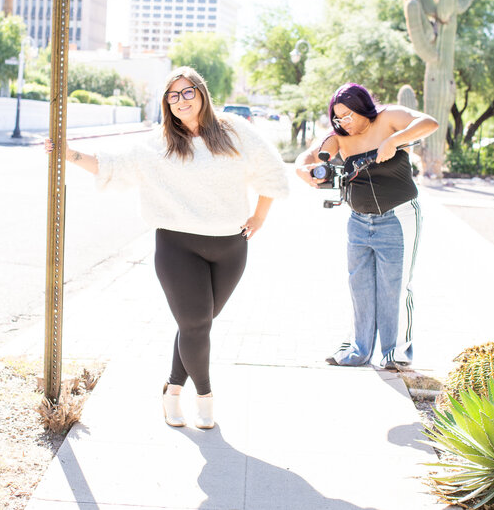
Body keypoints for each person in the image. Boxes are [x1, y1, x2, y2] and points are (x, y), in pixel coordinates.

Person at [46, 66, 289, 428]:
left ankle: (171, 388)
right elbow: (113, 166)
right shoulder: (157, 142)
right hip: (178, 246)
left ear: (202, 93)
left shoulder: (235, 131)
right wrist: (70, 154)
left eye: (187, 92)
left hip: (230, 248)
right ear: (166, 103)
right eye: (172, 96)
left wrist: (260, 216)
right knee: (194, 324)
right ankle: (204, 395)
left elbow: (272, 171)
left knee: (199, 325)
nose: (181, 101)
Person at [294, 83, 438, 369]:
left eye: (347, 115)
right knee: (359, 285)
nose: (342, 122)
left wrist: (395, 140)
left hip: (398, 217)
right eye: (337, 118)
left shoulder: (388, 117)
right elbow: (309, 156)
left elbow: (429, 123)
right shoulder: (339, 137)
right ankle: (357, 350)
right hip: (358, 221)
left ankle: (395, 353)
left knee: (395, 287)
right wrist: (302, 170)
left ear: (362, 108)